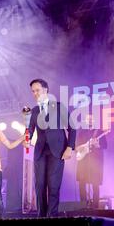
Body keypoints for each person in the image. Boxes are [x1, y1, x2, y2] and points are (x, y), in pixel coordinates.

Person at [23, 79, 76, 217]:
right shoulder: (33, 111)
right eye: (33, 91)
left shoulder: (59, 106)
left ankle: (51, 217)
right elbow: (29, 130)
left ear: (46, 90)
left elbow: (72, 128)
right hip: (40, 152)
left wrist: (70, 147)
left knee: (53, 185)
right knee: (39, 185)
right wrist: (26, 139)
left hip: (57, 151)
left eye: (37, 90)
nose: (35, 93)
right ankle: (41, 217)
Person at [76, 114, 108, 209]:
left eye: (91, 119)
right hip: (83, 162)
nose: (89, 121)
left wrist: (98, 145)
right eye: (88, 119)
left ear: (94, 121)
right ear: (85, 121)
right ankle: (83, 205)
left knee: (95, 184)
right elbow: (76, 147)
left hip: (96, 162)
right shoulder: (81, 132)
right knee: (82, 184)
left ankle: (95, 207)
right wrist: (82, 147)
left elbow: (105, 146)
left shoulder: (99, 132)